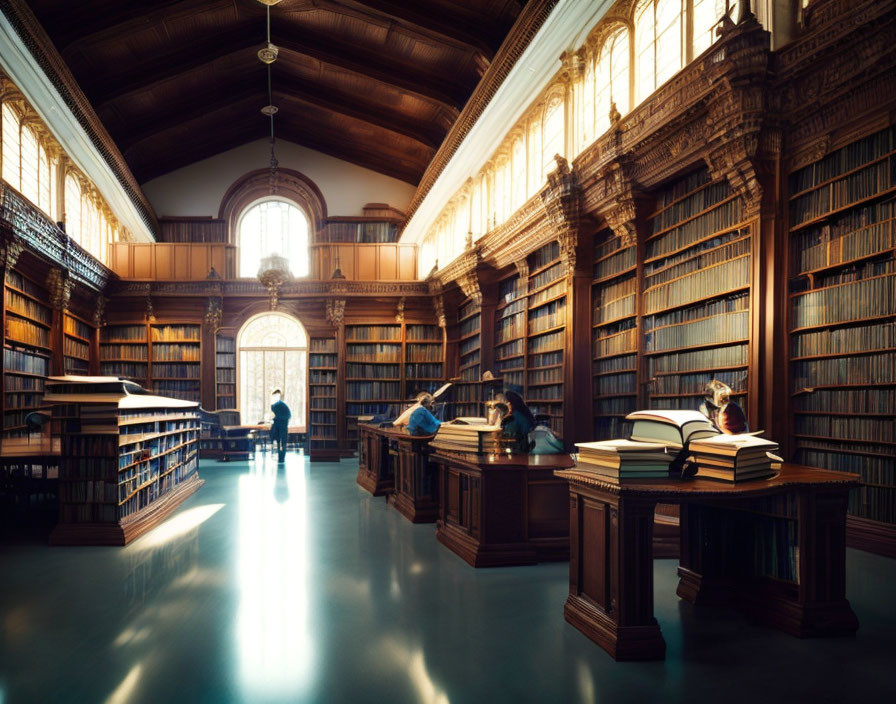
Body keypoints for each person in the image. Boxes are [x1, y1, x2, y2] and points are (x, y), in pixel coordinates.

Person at [270, 389, 291, 462]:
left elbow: (275, 411)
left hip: (281, 426)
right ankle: (281, 456)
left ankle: (280, 456)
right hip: (283, 426)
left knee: (280, 440)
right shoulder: (281, 405)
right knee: (282, 441)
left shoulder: (278, 405)